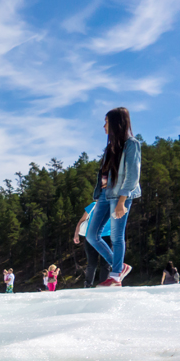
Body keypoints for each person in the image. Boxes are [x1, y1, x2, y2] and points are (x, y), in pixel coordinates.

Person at [87, 107, 141, 287]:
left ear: (116, 123)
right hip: (104, 195)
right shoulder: (110, 147)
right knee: (92, 235)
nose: (103, 126)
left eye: (106, 122)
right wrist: (98, 196)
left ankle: (116, 275)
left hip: (120, 195)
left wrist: (122, 201)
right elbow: (104, 175)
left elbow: (132, 175)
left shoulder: (131, 144)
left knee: (117, 237)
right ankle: (120, 266)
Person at [73, 202, 111, 287]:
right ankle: (88, 285)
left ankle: (103, 284)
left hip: (107, 237)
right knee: (91, 263)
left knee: (105, 263)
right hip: (91, 237)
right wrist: (76, 234)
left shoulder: (113, 204)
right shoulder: (94, 205)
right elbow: (82, 220)